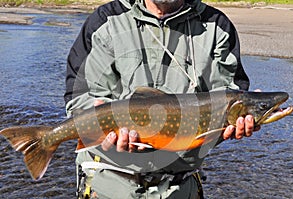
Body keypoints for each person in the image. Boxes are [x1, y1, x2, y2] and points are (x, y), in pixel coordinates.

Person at [64, 0, 259, 198]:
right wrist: (102, 128)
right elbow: (79, 98)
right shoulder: (105, 20)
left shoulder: (217, 27)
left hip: (180, 185)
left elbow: (230, 96)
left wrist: (238, 123)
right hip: (108, 183)